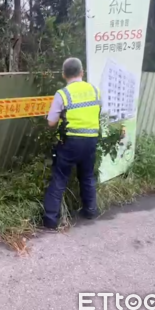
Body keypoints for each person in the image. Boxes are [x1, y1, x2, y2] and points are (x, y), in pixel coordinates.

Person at [43, 57, 102, 229]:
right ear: (82, 72)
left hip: (70, 142)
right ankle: (90, 210)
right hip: (91, 140)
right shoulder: (95, 90)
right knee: (87, 175)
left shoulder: (63, 94)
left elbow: (51, 122)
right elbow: (98, 113)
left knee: (60, 177)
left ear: (63, 74)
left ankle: (50, 219)